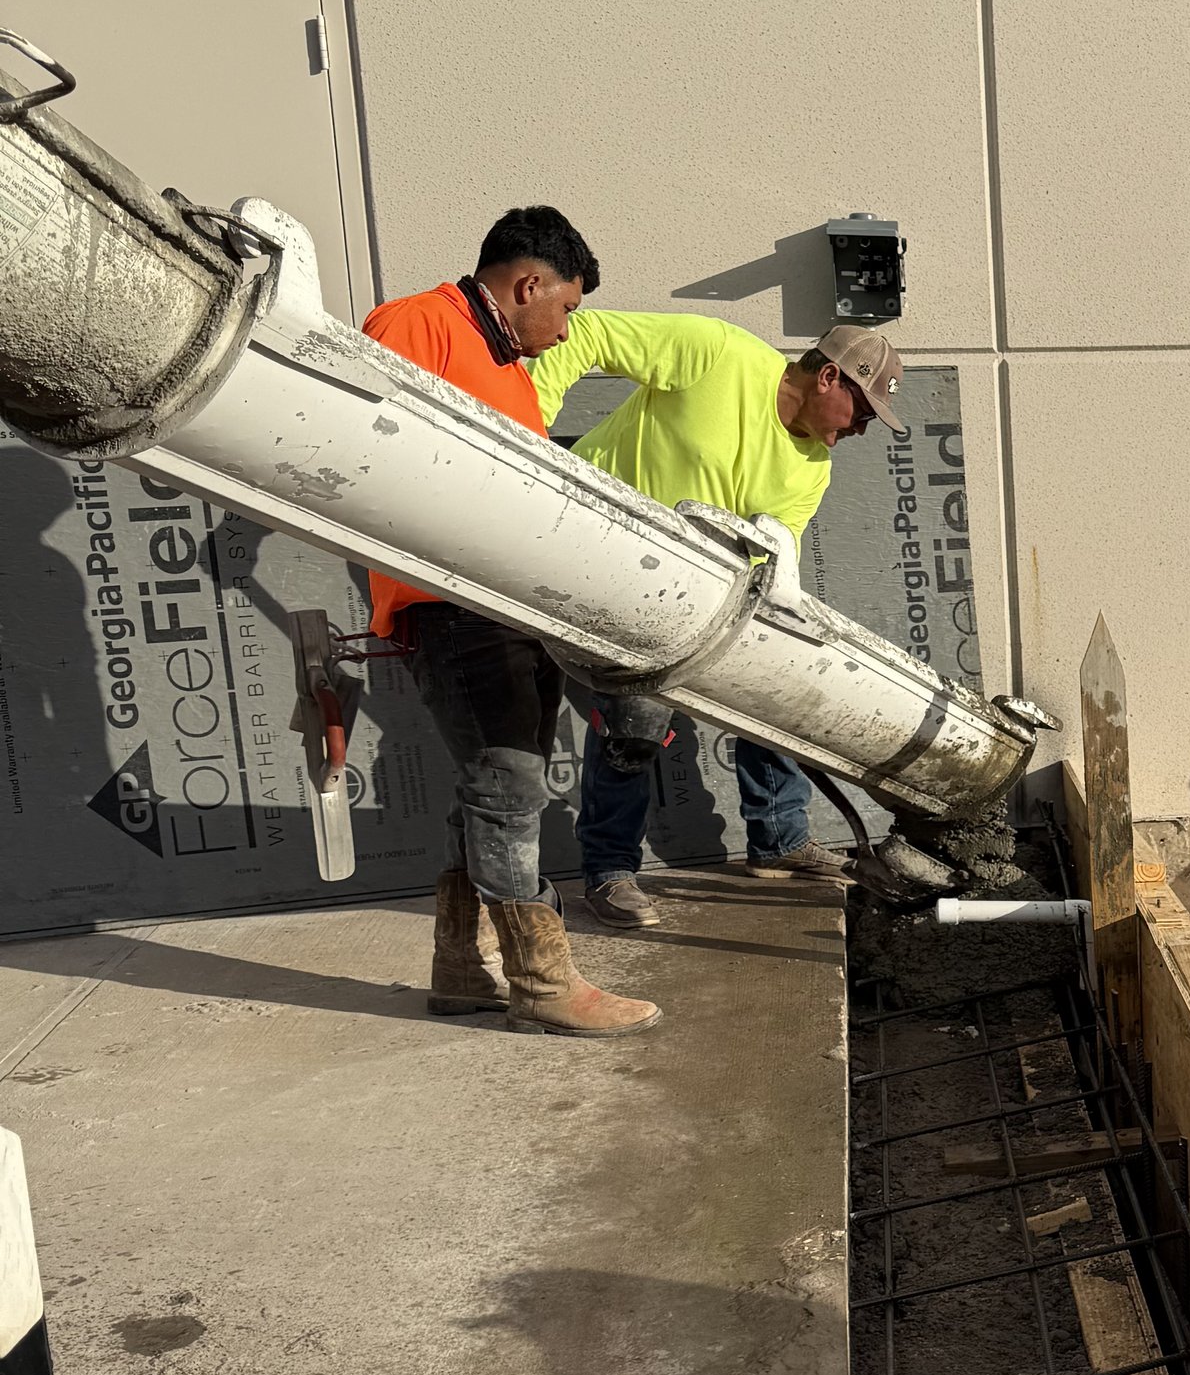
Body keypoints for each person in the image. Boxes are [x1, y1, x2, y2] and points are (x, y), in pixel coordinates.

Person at [362, 210, 659, 1040]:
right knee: (510, 786)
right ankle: (540, 980)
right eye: (562, 309)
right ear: (526, 285)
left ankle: (461, 968)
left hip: (509, 606)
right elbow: (377, 462)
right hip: (452, 601)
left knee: (489, 791)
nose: (563, 331)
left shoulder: (504, 365)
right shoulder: (414, 326)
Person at [523, 309, 903, 924]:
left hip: (686, 591)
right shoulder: (719, 353)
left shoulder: (812, 467)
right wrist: (528, 421)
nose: (863, 430)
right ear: (829, 378)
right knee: (635, 723)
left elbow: (769, 555)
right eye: (862, 413)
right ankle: (609, 869)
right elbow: (588, 334)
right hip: (590, 551)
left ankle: (777, 839)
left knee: (777, 677)